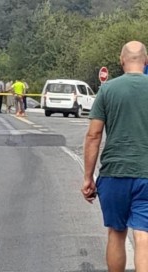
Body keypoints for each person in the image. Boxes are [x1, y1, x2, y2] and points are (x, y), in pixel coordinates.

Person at [82, 40, 148, 272]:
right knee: (143, 236)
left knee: (116, 233)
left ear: (121, 61)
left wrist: (88, 178)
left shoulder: (108, 89)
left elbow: (94, 135)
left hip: (114, 174)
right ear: (146, 60)